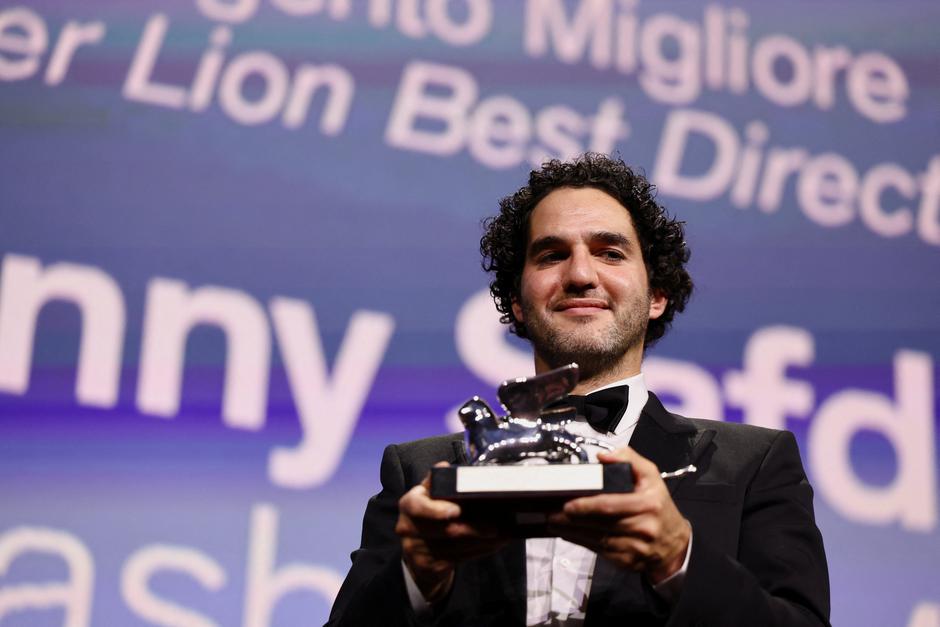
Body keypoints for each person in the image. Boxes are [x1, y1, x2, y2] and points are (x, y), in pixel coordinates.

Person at [326, 154, 830, 626]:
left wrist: (680, 558)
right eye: (551, 255)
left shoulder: (754, 463)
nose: (581, 274)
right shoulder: (419, 474)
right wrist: (418, 579)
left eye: (610, 252)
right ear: (517, 302)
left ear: (657, 295)